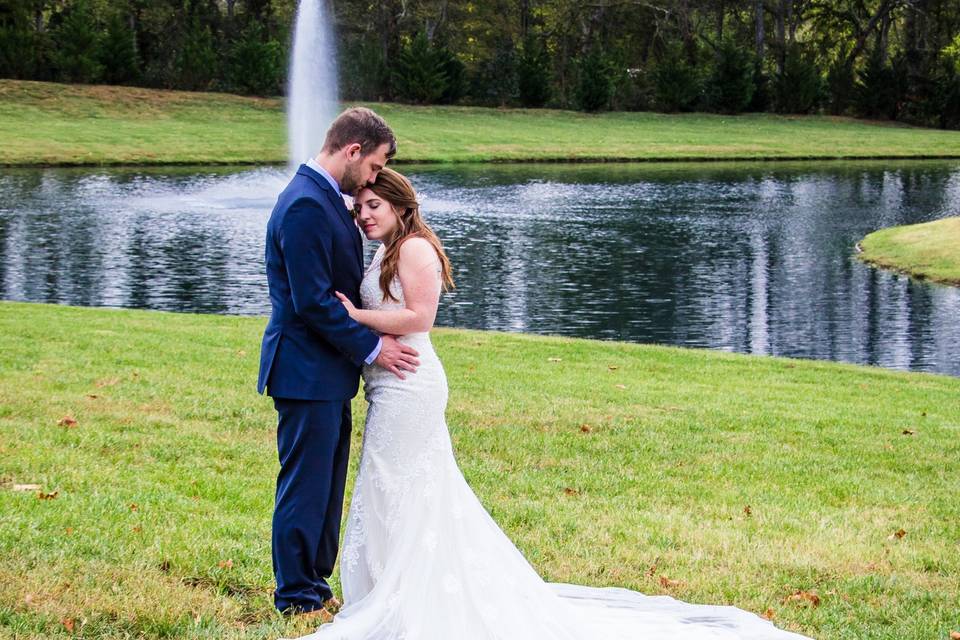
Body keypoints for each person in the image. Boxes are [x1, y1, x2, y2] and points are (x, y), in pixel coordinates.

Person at [287, 167, 813, 640]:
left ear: (401, 205)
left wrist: (356, 317)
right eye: (359, 207)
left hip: (411, 386)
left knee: (398, 481)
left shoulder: (416, 248)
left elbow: (420, 319)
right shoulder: (385, 250)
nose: (363, 215)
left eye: (373, 205)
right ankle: (388, 587)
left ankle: (405, 593)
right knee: (392, 483)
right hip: (388, 385)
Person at [258, 108, 420, 617]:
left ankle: (315, 585)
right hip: (304, 370)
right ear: (352, 151)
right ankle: (296, 595)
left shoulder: (327, 199)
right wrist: (374, 348)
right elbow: (312, 301)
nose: (374, 177)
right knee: (305, 483)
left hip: (325, 371)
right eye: (373, 166)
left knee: (326, 483)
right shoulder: (306, 204)